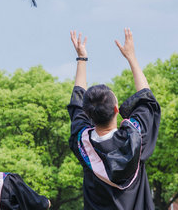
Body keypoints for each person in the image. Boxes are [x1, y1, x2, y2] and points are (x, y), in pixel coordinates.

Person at [67, 28, 161, 210]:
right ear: (117, 109)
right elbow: (147, 100)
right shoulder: (134, 138)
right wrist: (131, 57)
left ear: (87, 114)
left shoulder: (82, 142)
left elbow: (77, 103)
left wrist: (81, 59)